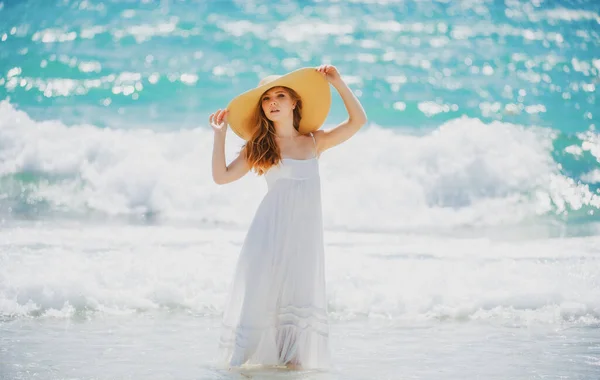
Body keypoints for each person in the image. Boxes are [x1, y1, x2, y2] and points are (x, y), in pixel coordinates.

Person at [210, 64, 367, 371]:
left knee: (294, 314)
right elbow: (221, 177)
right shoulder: (260, 146)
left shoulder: (313, 142)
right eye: (267, 99)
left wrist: (337, 81)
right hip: (268, 235)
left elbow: (357, 121)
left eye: (280, 95)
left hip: (303, 241)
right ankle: (240, 369)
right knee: (262, 302)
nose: (272, 102)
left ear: (294, 102)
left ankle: (290, 371)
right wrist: (219, 137)